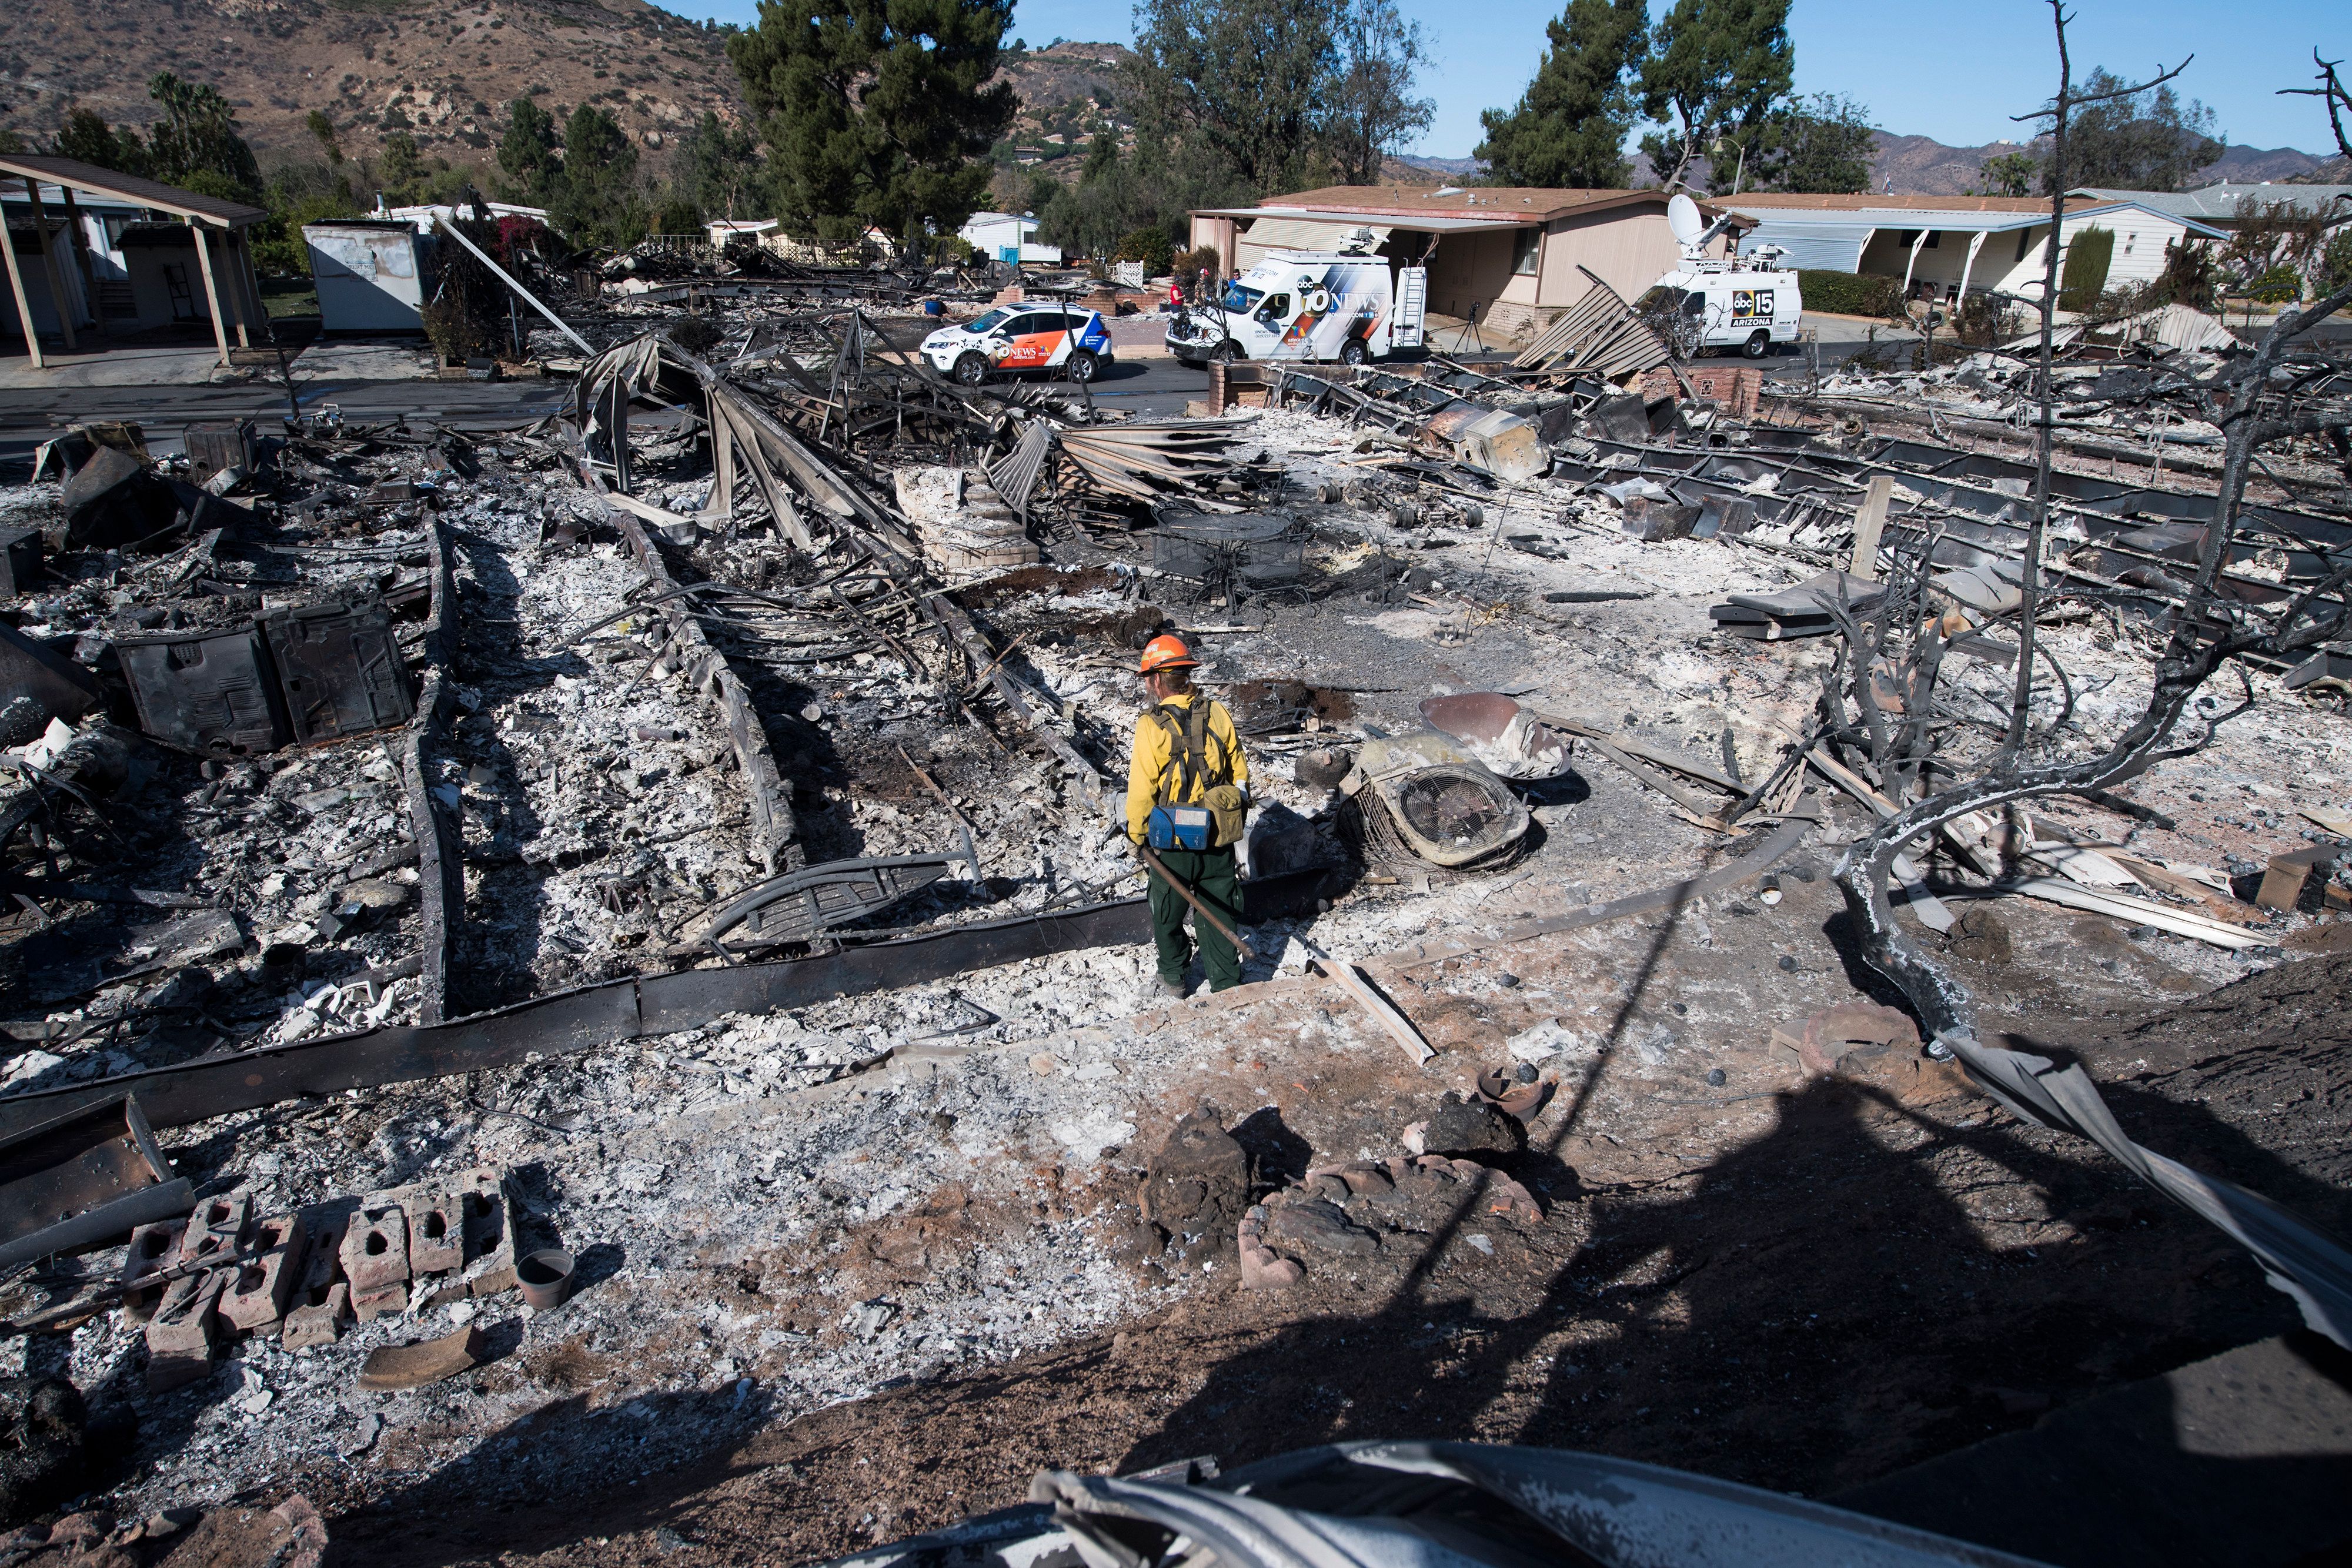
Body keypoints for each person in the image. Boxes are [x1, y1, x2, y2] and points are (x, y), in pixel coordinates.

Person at [1125, 634, 1251, 997]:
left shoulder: (1150, 725)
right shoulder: (1217, 712)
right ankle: (1227, 984)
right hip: (1217, 833)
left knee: (1166, 908)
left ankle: (1174, 978)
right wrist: (1231, 812)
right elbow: (1240, 772)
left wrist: (1137, 836)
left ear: (1157, 680)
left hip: (1172, 838)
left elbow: (1142, 790)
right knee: (1221, 906)